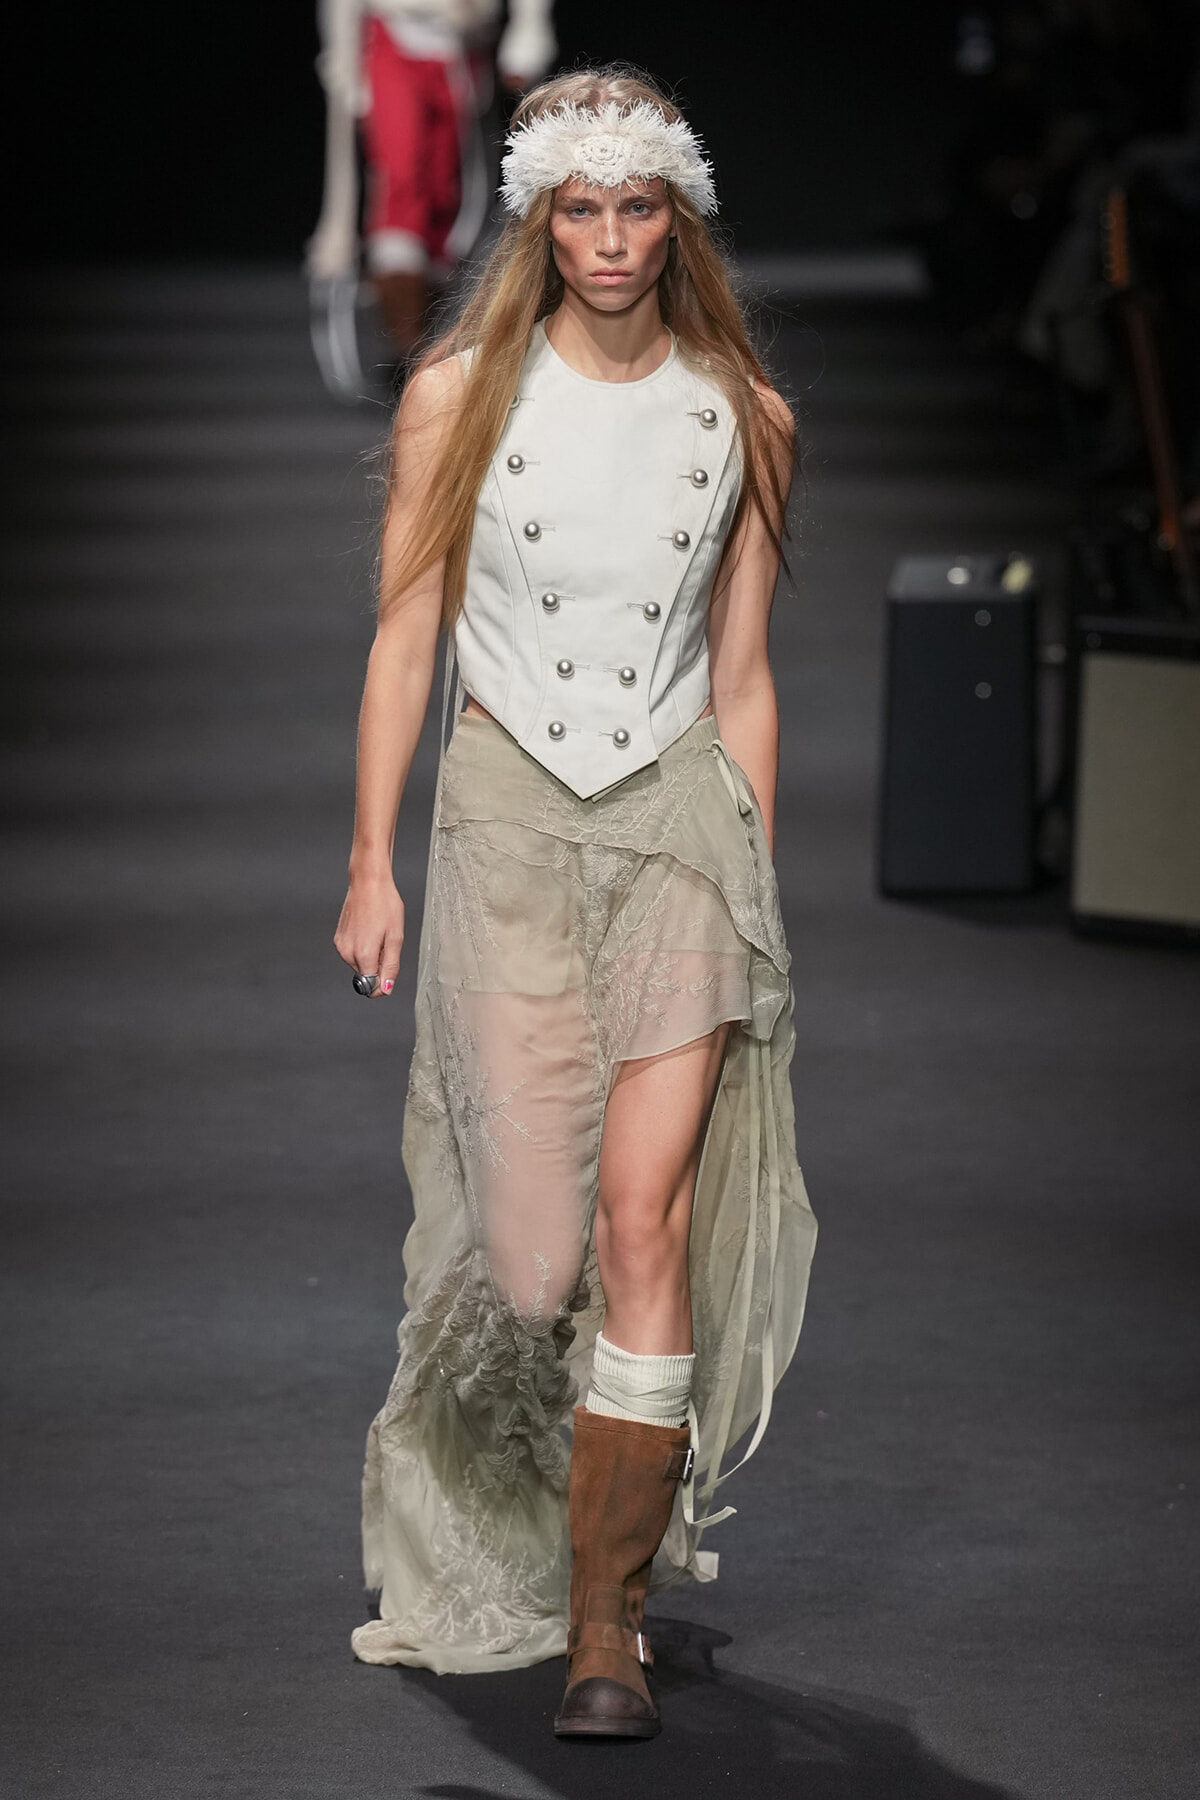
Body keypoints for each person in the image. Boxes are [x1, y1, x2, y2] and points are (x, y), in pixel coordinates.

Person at [333, 66, 819, 1741]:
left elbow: (744, 676)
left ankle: (608, 1624)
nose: (611, 239)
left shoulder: (742, 415)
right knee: (535, 1261)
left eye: (638, 208)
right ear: (541, 219)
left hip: (678, 823)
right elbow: (406, 633)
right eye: (581, 208)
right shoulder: (458, 395)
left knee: (641, 1225)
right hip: (509, 821)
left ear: (674, 216)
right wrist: (367, 862)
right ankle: (537, 1538)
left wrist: (750, 855)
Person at [308, 0, 557, 356]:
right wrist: (342, 56)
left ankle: (429, 335)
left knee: (447, 192)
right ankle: (407, 339)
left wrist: (528, 31)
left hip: (461, 43)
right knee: (402, 178)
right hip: (394, 34)